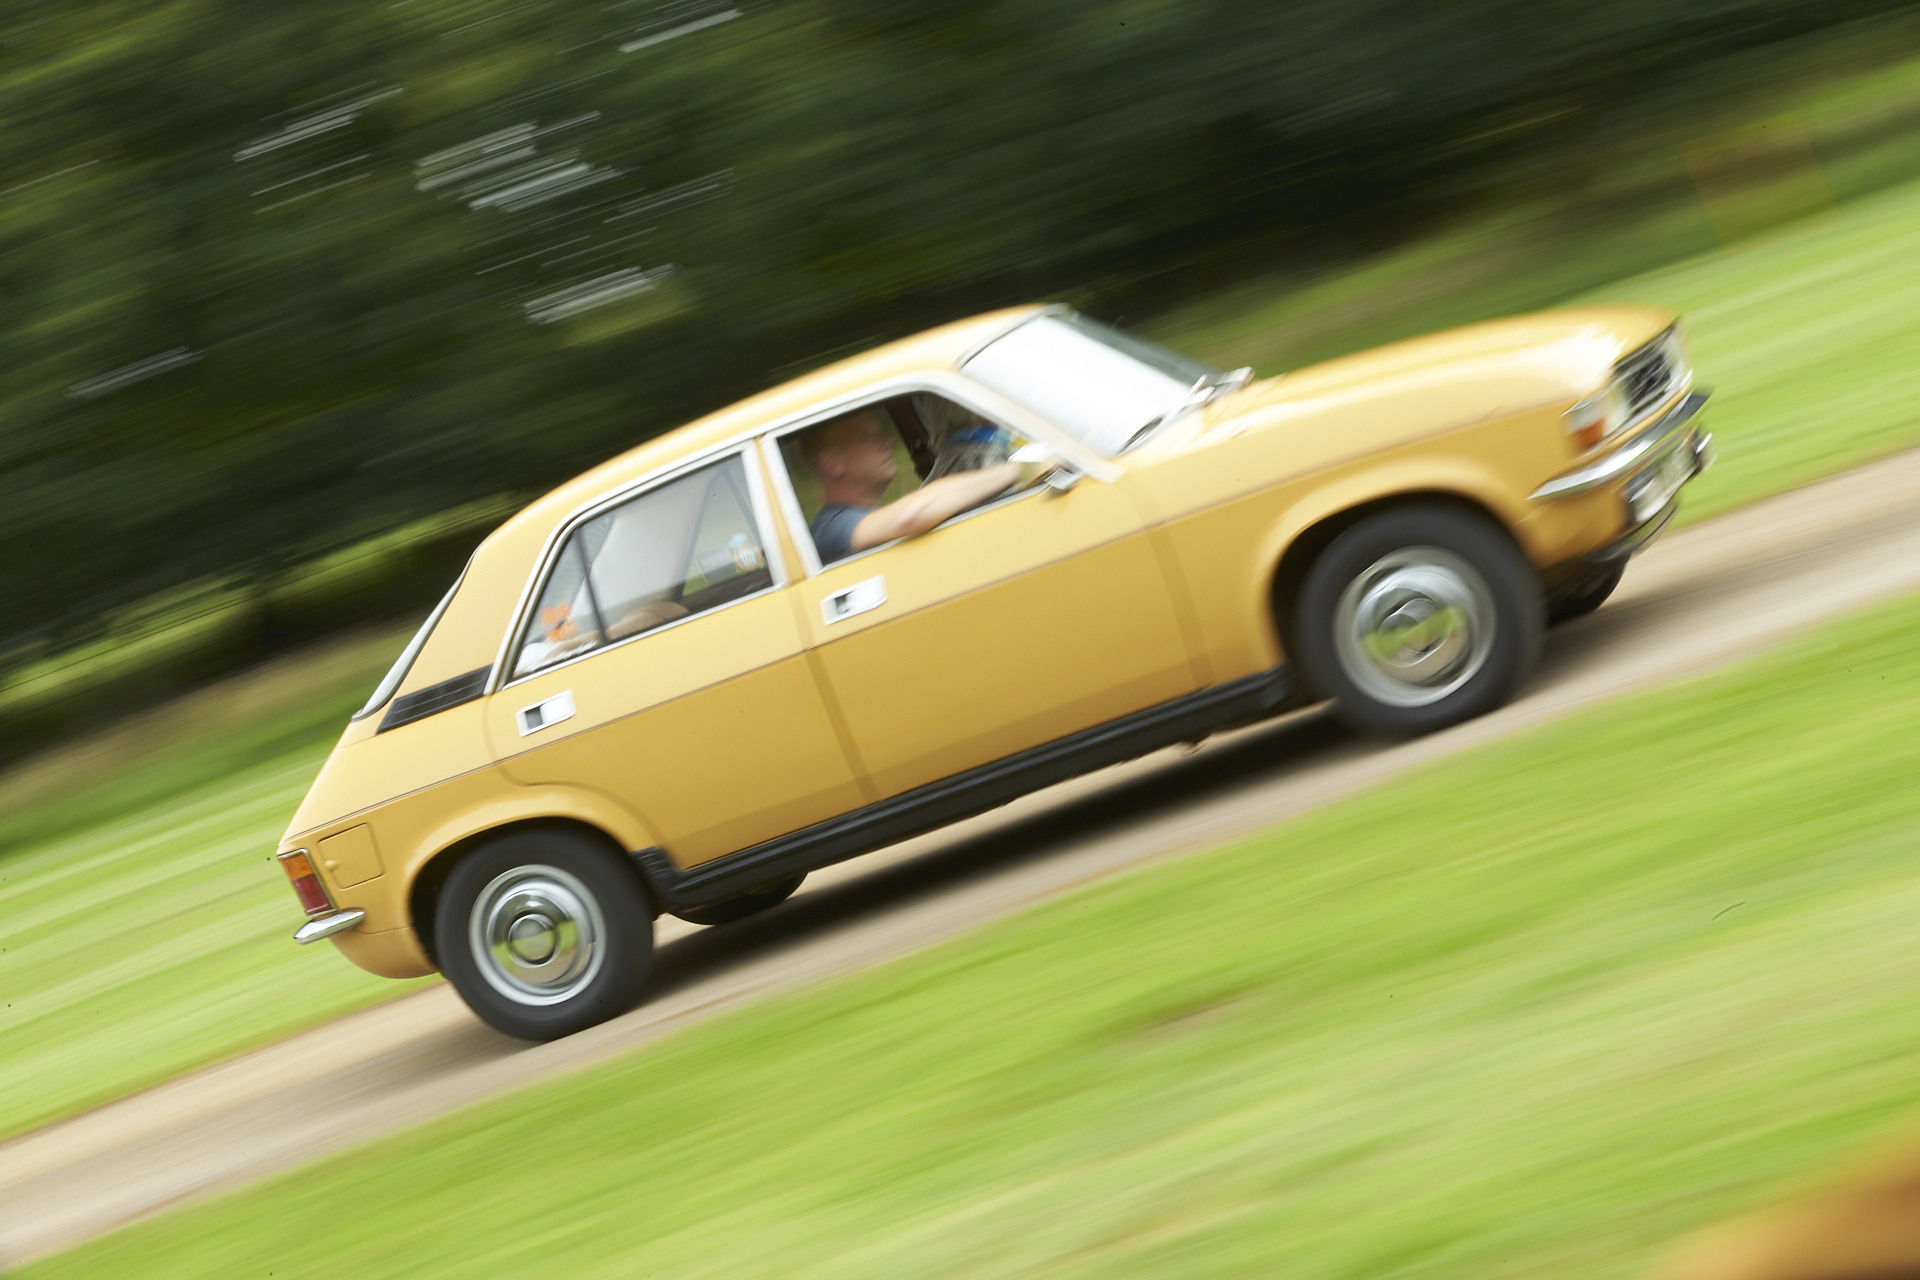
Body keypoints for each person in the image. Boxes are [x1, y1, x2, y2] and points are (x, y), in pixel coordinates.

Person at [799, 407, 1051, 564]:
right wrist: (1027, 468)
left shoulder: (853, 519)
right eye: (868, 437)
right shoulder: (830, 529)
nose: (887, 442)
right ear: (832, 463)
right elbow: (911, 515)